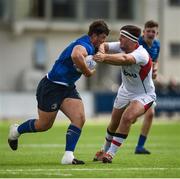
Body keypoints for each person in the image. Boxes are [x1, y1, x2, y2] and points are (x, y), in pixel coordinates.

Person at [8, 20, 110, 165]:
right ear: (94, 35)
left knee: (79, 118)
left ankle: (68, 156)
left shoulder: (93, 44)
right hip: (51, 86)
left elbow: (104, 47)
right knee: (44, 125)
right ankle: (16, 130)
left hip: (67, 87)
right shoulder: (85, 44)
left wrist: (101, 50)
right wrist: (87, 72)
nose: (103, 41)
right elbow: (76, 55)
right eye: (102, 37)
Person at [93, 25, 156, 163]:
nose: (119, 39)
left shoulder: (141, 54)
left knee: (127, 117)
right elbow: (103, 44)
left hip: (143, 94)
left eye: (123, 37)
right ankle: (104, 149)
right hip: (125, 90)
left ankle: (110, 154)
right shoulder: (122, 45)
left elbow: (124, 59)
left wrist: (103, 57)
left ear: (132, 40)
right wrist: (101, 52)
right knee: (114, 122)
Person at [135, 20, 160, 154]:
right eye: (148, 31)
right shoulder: (137, 44)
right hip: (133, 84)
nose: (150, 33)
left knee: (150, 114)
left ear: (157, 33)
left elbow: (155, 61)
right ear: (143, 32)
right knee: (130, 118)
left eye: (153, 31)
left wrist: (155, 70)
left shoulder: (157, 44)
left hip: (147, 85)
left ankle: (140, 146)